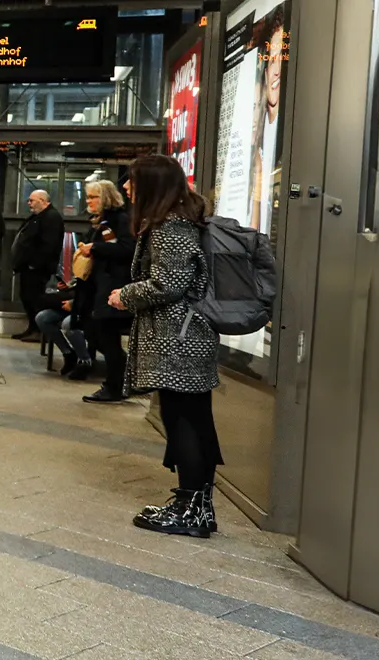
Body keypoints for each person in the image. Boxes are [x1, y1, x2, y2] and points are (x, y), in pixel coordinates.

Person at [108, 154, 224, 538]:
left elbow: (167, 285)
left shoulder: (169, 226)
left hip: (179, 339)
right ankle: (195, 505)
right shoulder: (180, 221)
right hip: (186, 338)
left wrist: (124, 295)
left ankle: (191, 508)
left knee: (185, 422)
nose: (127, 188)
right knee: (190, 418)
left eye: (133, 182)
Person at [75, 180, 136, 397]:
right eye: (88, 197)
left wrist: (96, 248)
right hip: (100, 287)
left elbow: (126, 248)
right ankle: (121, 380)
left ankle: (115, 385)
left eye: (93, 197)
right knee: (98, 334)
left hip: (113, 288)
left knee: (106, 337)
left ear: (106, 197)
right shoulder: (103, 221)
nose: (88, 201)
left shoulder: (119, 219)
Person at [9, 189, 65, 342]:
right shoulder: (37, 217)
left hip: (38, 269)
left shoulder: (51, 217)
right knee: (27, 297)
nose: (29, 203)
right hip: (28, 267)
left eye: (32, 200)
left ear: (43, 201)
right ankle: (32, 328)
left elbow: (49, 245)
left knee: (35, 298)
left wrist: (35, 264)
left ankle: (39, 331)